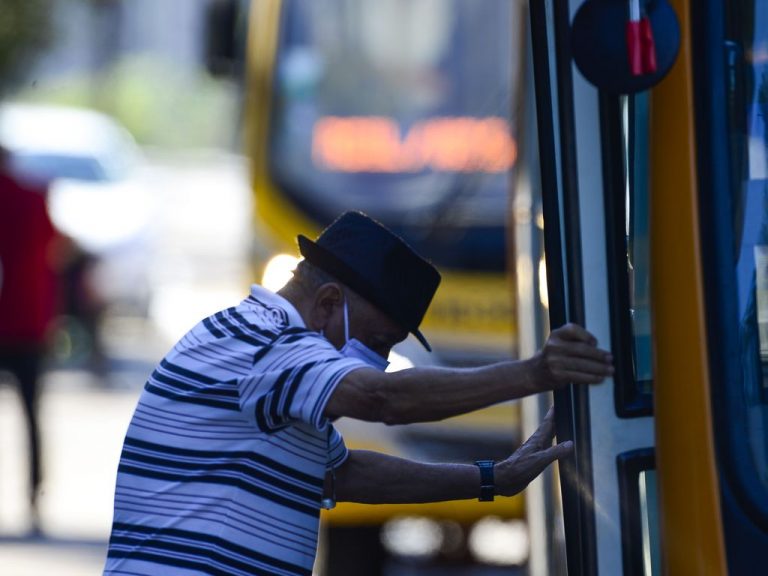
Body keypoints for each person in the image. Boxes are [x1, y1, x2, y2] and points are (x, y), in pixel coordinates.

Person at [104, 211, 613, 575]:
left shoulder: (262, 351)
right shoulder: (273, 344)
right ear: (327, 302)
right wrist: (534, 374)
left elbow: (342, 475)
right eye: (376, 343)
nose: (381, 362)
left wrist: (491, 479)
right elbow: (381, 399)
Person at [0, 146, 59, 532]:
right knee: (31, 415)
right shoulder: (34, 196)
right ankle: (34, 498)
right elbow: (55, 250)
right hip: (28, 322)